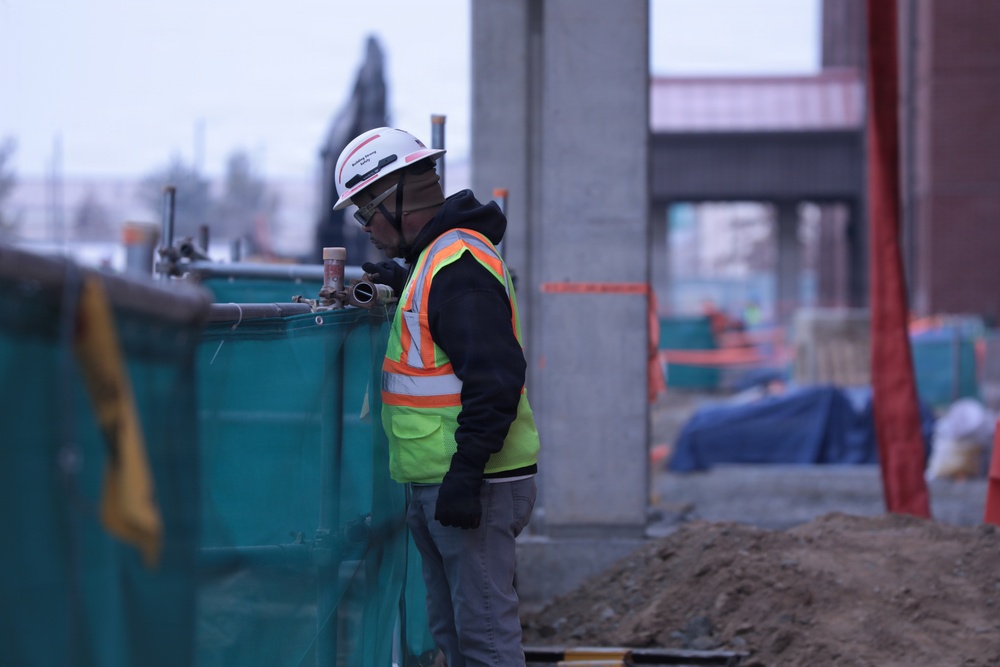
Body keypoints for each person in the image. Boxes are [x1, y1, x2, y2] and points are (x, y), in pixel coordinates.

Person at [332, 127, 541, 667]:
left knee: (485, 642)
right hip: (444, 479)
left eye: (364, 213)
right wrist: (403, 286)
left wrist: (467, 474)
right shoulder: (437, 262)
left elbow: (495, 376)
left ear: (395, 202)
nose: (366, 229)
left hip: (474, 482)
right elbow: (445, 347)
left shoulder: (458, 268)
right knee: (455, 636)